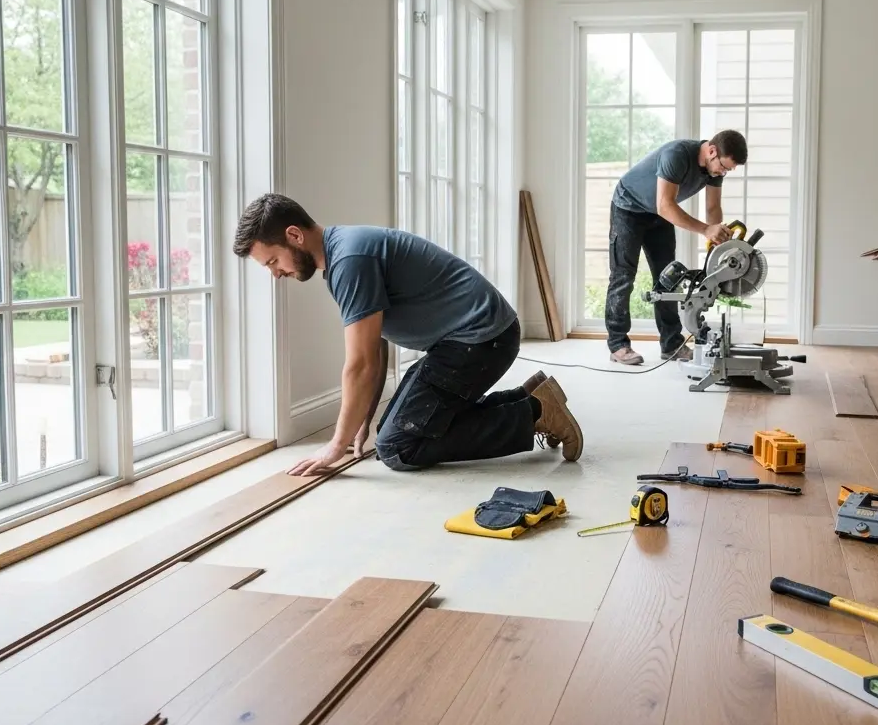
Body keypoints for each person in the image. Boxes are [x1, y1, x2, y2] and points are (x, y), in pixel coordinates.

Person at [232, 193, 583, 476]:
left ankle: (535, 412)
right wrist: (363, 421)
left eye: (273, 262)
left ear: (294, 235)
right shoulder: (344, 253)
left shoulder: (349, 260)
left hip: (480, 341)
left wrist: (335, 444)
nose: (275, 274)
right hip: (471, 341)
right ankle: (526, 397)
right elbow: (376, 345)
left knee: (398, 447)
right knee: (395, 428)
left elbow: (360, 364)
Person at [605, 130, 748, 365]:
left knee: (668, 278)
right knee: (623, 276)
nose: (724, 172)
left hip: (658, 213)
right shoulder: (677, 155)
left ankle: (671, 344)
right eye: (724, 167)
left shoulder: (714, 168)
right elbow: (665, 205)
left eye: (728, 170)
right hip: (628, 207)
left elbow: (713, 210)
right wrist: (705, 230)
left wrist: (718, 244)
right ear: (712, 151)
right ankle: (618, 344)